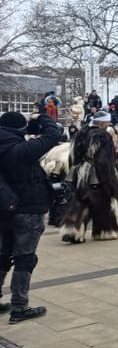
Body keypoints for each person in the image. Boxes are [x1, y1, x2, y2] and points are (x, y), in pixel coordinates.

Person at [0, 110, 61, 323]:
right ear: (20, 129)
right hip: (28, 210)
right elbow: (53, 136)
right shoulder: (21, 150)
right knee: (25, 258)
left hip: (5, 209)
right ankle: (19, 306)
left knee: (3, 254)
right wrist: (42, 117)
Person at [60, 111, 118, 243]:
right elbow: (105, 161)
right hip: (96, 174)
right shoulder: (103, 136)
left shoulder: (80, 133)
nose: (108, 125)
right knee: (103, 201)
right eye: (107, 123)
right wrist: (109, 181)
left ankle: (72, 230)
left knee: (81, 200)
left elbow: (72, 156)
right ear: (102, 123)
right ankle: (105, 231)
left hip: (79, 172)